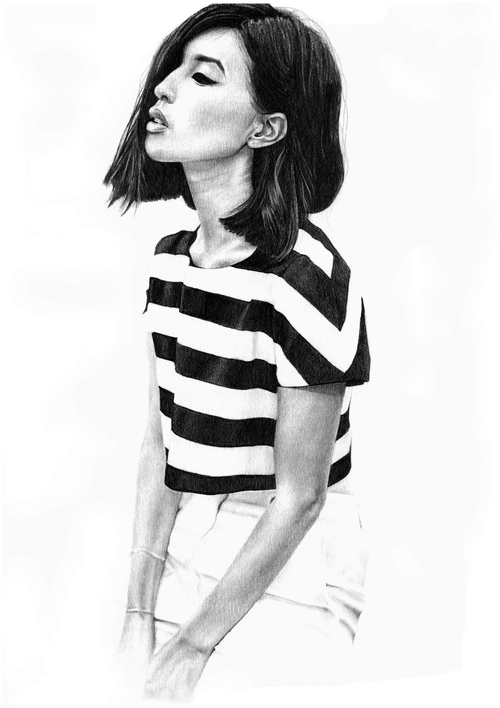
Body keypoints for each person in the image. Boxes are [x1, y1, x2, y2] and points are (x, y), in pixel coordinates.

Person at [104, 3, 371, 700]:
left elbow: (302, 498)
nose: (164, 88)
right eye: (173, 69)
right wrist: (137, 613)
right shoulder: (169, 264)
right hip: (195, 535)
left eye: (203, 76)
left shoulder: (308, 281)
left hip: (295, 563)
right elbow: (160, 445)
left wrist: (193, 646)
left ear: (266, 128)